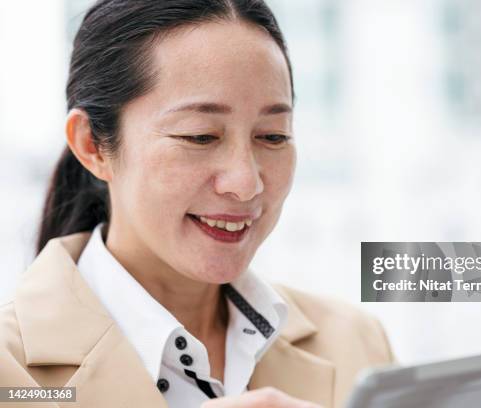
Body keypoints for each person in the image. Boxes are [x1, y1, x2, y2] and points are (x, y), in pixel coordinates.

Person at [0, 1, 394, 407]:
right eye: (199, 136)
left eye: (273, 136)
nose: (246, 183)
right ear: (92, 145)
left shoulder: (356, 343)